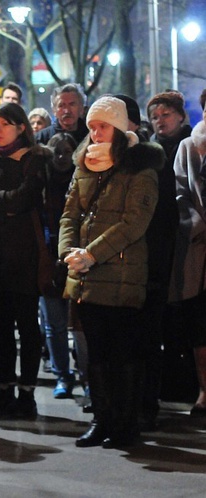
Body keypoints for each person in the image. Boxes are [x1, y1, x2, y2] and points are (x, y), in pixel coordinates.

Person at [60, 96, 163, 449]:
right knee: (97, 354)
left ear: (118, 128)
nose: (94, 132)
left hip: (120, 273)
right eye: (91, 127)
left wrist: (92, 253)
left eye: (102, 126)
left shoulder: (141, 168)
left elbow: (134, 222)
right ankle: (101, 420)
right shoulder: (85, 165)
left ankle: (126, 424)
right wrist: (68, 253)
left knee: (123, 353)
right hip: (86, 276)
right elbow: (69, 214)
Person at [0, 103, 49, 418]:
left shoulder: (33, 159)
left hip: (23, 254)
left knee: (27, 326)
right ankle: (4, 389)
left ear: (20, 127)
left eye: (4, 124)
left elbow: (23, 198)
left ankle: (26, 394)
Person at [140, 91, 190, 429]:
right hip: (157, 242)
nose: (161, 120)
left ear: (180, 117)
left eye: (167, 114)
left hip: (187, 238)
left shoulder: (190, 146)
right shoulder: (149, 152)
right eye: (156, 115)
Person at [169, 107, 206, 418]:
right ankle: (204, 391)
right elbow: (180, 193)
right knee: (200, 327)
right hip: (199, 248)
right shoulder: (189, 146)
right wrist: (195, 226)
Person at [40, 132, 78, 399]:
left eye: (67, 151)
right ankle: (62, 375)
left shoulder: (81, 179)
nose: (62, 157)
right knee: (53, 323)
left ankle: (86, 376)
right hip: (47, 258)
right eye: (57, 152)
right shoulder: (42, 184)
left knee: (79, 326)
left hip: (76, 256)